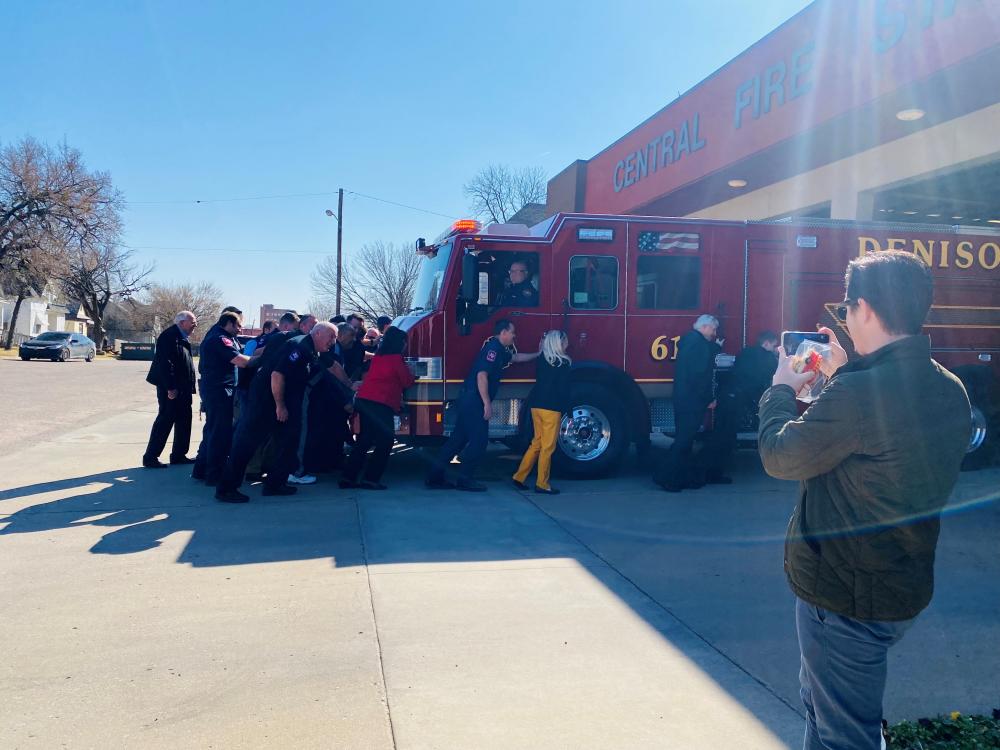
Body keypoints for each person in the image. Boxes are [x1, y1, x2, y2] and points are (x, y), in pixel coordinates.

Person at [759, 251, 970, 750]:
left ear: (866, 309)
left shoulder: (857, 396)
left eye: (847, 308)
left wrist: (780, 391)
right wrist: (842, 376)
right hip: (900, 587)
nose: (845, 317)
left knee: (845, 735)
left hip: (844, 600)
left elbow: (779, 455)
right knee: (827, 712)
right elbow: (884, 441)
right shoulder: (948, 387)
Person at [215, 322, 337, 502]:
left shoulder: (312, 349)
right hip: (267, 401)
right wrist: (280, 405)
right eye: (331, 337)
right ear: (318, 334)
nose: (333, 342)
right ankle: (226, 489)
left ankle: (275, 483)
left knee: (288, 442)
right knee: (247, 444)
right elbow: (277, 375)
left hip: (286, 402)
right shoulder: (299, 347)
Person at [426, 319, 539, 491]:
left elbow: (516, 357)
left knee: (457, 440)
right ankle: (465, 480)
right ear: (503, 333)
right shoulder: (493, 350)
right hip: (474, 401)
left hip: (468, 399)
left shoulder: (500, 350)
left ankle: (434, 477)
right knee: (479, 441)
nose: (514, 335)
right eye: (512, 332)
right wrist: (486, 403)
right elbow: (481, 376)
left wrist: (538, 354)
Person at [340, 326, 415, 489]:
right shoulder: (396, 358)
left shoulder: (378, 357)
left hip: (364, 401)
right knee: (385, 442)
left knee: (364, 441)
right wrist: (413, 373)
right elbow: (407, 381)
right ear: (399, 342)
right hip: (381, 403)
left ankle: (348, 477)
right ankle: (371, 479)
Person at [700, 330, 779, 483]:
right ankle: (710, 473)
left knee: (720, 436)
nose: (775, 348)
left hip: (727, 396)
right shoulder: (766, 357)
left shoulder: (746, 352)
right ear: (766, 343)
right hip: (737, 400)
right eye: (774, 345)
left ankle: (708, 471)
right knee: (725, 439)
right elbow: (772, 373)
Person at [654, 314, 720, 492]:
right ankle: (666, 478)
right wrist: (709, 399)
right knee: (683, 442)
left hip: (683, 398)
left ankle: (683, 478)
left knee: (686, 441)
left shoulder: (689, 341)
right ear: (705, 327)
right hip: (693, 401)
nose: (714, 334)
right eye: (713, 329)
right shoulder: (699, 346)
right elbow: (700, 376)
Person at [191, 311, 251, 485]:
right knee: (220, 433)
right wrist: (263, 359)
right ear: (229, 323)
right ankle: (214, 475)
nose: (240, 329)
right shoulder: (220, 338)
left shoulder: (221, 336)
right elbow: (242, 361)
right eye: (238, 325)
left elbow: (241, 350)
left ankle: (201, 470)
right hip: (219, 390)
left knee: (212, 430)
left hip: (217, 389)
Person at [512, 330, 571, 495]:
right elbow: (563, 389)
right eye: (565, 341)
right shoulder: (564, 363)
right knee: (548, 447)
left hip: (536, 405)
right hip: (551, 409)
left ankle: (519, 476)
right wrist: (569, 409)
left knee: (536, 443)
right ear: (559, 343)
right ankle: (542, 484)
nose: (568, 344)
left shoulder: (542, 359)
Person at [142, 311, 197, 468]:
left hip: (183, 388)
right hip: (171, 388)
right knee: (165, 420)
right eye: (192, 322)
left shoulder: (182, 337)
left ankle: (179, 454)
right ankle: (151, 457)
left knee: (184, 420)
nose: (195, 325)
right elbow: (164, 364)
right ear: (181, 322)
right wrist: (170, 387)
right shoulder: (169, 336)